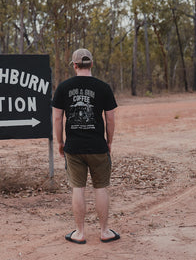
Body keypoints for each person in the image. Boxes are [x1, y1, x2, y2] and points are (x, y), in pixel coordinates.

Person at [52, 48, 120, 244]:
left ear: (74, 65)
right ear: (91, 64)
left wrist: (60, 142)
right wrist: (109, 141)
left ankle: (80, 233)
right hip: (98, 146)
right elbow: (110, 118)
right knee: (100, 189)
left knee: (78, 189)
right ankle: (105, 232)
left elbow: (57, 118)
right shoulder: (103, 87)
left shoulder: (63, 87)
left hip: (73, 147)